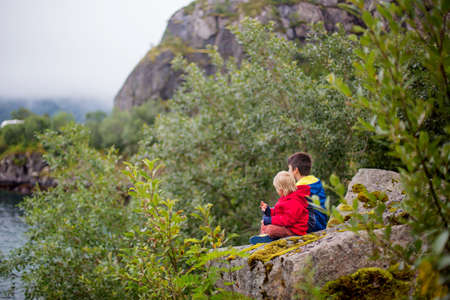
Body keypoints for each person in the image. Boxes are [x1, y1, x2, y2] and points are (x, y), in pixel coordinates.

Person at [249, 171, 310, 244]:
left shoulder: (295, 201)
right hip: (286, 227)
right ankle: (262, 237)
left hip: (294, 231)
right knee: (263, 223)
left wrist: (271, 220)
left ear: (281, 189)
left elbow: (287, 220)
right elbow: (279, 212)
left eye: (276, 188)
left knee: (271, 229)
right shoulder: (285, 198)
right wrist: (268, 211)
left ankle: (268, 238)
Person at [287, 152, 328, 232]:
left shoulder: (299, 188)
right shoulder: (317, 182)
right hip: (322, 223)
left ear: (295, 170)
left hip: (311, 226)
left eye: (289, 168)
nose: (288, 172)